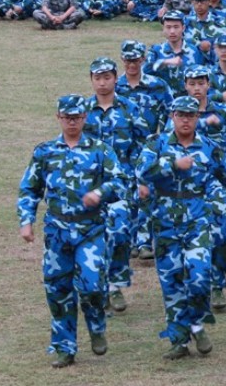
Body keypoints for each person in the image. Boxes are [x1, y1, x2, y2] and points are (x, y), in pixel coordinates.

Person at [17, 95, 126, 367]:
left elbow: (121, 182)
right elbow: (30, 189)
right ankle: (64, 346)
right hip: (57, 230)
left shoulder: (100, 149)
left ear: (84, 118)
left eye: (77, 117)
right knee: (58, 289)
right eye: (67, 118)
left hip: (91, 229)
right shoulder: (45, 152)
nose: (72, 122)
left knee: (92, 286)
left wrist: (99, 193)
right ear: (59, 118)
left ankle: (97, 326)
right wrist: (26, 221)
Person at [138, 95, 226, 360]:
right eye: (181, 115)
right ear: (172, 116)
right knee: (172, 284)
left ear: (197, 118)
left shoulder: (208, 146)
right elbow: (142, 172)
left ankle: (196, 322)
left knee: (199, 277)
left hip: (197, 220)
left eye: (191, 115)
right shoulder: (157, 144)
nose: (186, 120)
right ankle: (180, 340)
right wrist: (172, 164)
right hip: (164, 223)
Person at [81, 57, 147, 313]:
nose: (102, 82)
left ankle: (115, 285)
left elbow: (143, 146)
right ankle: (95, 286)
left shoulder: (130, 108)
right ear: (91, 81)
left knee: (120, 233)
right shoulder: (83, 110)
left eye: (107, 77)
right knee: (92, 238)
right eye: (97, 78)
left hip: (122, 183)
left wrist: (140, 178)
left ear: (115, 78)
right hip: (91, 184)